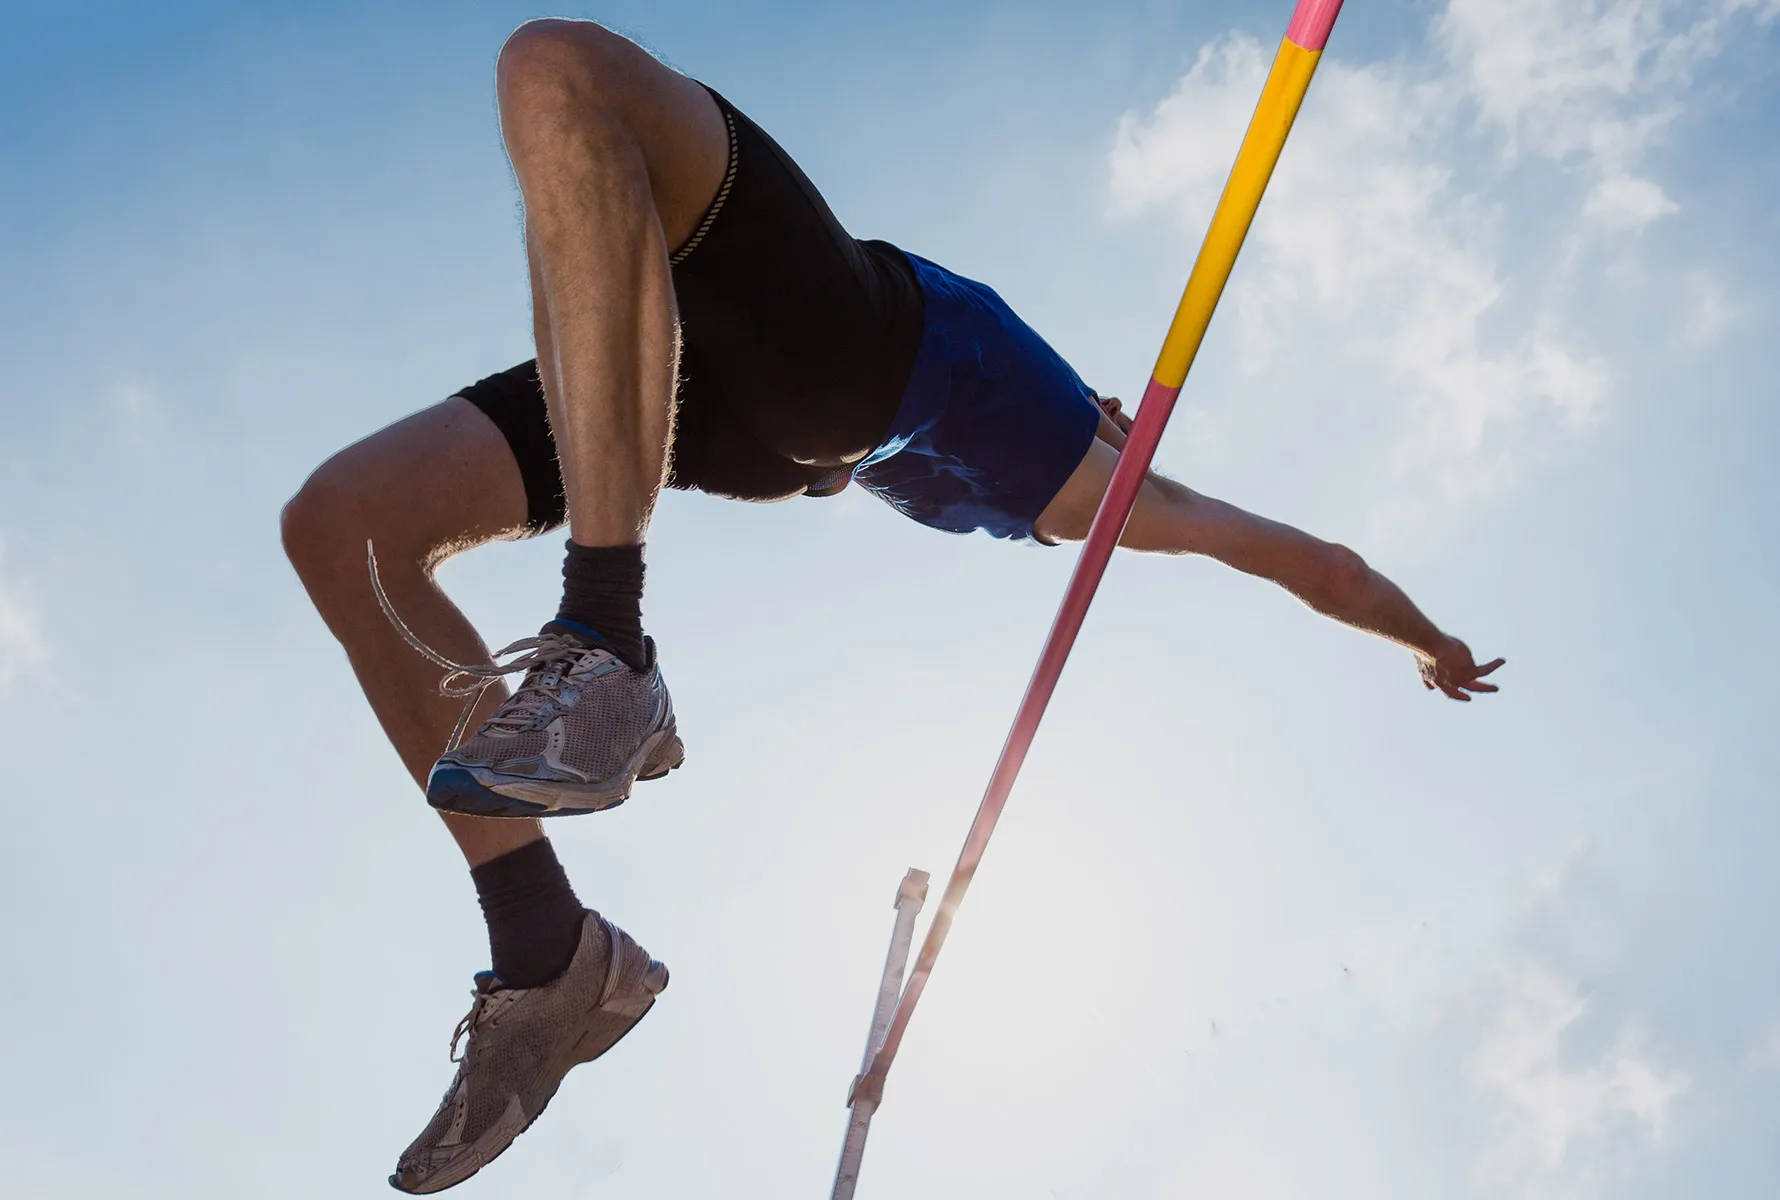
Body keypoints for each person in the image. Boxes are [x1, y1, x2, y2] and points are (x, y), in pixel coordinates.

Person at [280, 19, 1504, 1194]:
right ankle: (543, 943)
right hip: (714, 397)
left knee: (556, 66)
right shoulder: (1058, 481)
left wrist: (1426, 640)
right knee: (344, 526)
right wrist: (1427, 643)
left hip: (839, 362)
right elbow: (1310, 562)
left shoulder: (1102, 486)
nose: (1120, 417)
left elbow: (1310, 562)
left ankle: (606, 633)